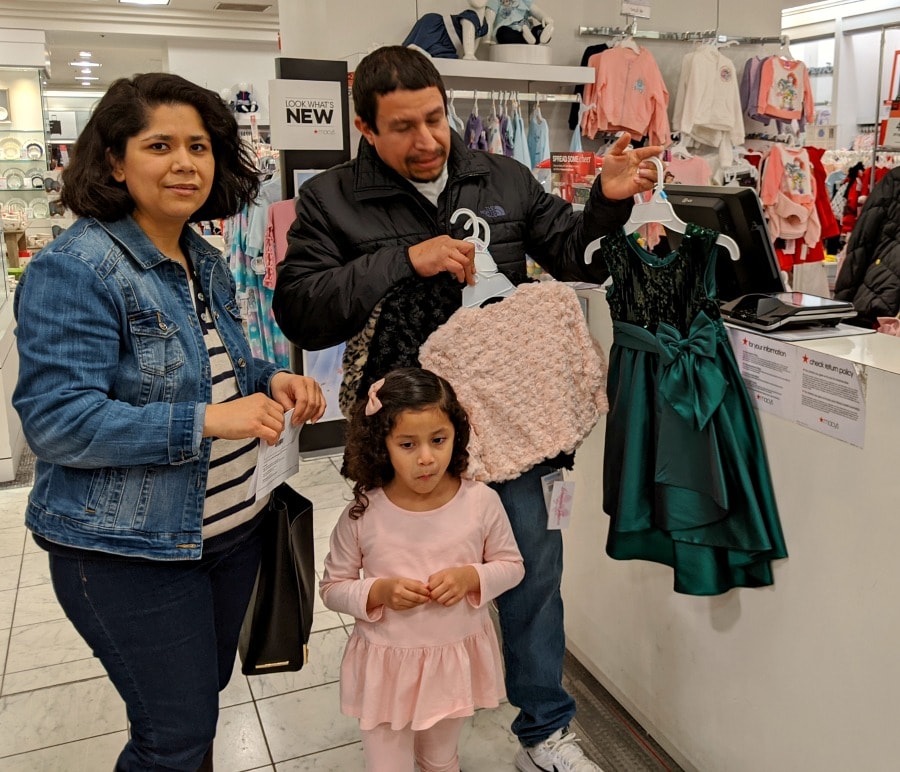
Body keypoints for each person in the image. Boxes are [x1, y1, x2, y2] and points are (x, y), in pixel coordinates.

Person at [273, 45, 662, 772]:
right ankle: (410, 725)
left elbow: (579, 256)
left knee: (532, 577)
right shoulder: (332, 198)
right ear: (365, 128)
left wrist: (607, 201)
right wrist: (404, 259)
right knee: (406, 590)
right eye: (402, 127)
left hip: (516, 425)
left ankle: (544, 731)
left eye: (434, 119)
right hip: (409, 437)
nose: (425, 140)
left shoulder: (503, 176)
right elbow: (301, 312)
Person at [12, 73, 326, 771]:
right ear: (116, 161)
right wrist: (213, 420)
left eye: (200, 145)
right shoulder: (78, 268)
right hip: (130, 553)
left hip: (226, 534)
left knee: (193, 714)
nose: (186, 162)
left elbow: (219, 364)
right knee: (174, 737)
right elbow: (58, 423)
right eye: (160, 145)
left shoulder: (199, 257)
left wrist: (271, 379)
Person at [320, 367, 525, 772]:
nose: (426, 457)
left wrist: (473, 577)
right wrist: (377, 592)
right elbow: (332, 587)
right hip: (386, 669)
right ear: (383, 445)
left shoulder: (480, 502)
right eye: (408, 444)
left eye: (438, 440)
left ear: (456, 436)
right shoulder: (364, 513)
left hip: (451, 663)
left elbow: (512, 566)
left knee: (440, 759)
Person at [833, 165, 900, 327]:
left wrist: (842, 306)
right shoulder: (895, 181)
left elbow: (862, 243)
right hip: (882, 300)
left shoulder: (895, 180)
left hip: (881, 298)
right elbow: (862, 243)